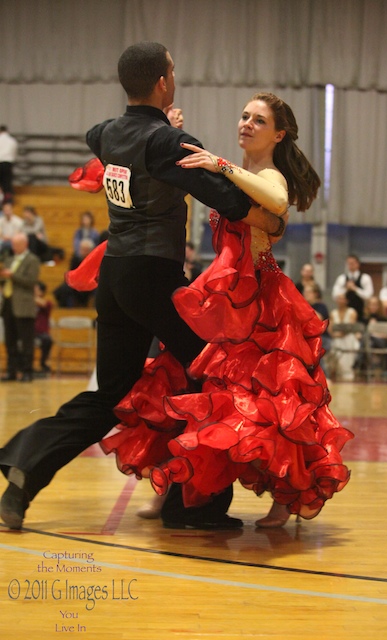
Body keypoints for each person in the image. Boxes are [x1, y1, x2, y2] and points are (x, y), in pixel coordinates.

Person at [0, 42, 284, 531]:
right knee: (215, 376)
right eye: (172, 70)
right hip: (154, 276)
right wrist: (272, 222)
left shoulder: (107, 135)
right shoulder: (167, 143)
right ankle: (190, 505)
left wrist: (160, 135)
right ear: (162, 83)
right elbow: (226, 199)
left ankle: (22, 477)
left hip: (114, 278)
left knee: (110, 393)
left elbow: (108, 136)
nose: (174, 76)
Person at [97, 92, 353, 529]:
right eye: (244, 116)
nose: (247, 124)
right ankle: (174, 486)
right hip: (223, 305)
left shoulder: (269, 175)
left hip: (262, 308)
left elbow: (274, 201)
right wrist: (167, 126)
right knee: (186, 388)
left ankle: (285, 497)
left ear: (279, 133)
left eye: (259, 120)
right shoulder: (236, 174)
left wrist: (220, 165)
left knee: (271, 406)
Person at [0, 233, 40, 382]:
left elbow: (31, 281)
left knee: (26, 341)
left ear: (25, 244)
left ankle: (27, 371)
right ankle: (11, 371)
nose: (13, 247)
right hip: (8, 304)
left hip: (24, 305)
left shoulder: (33, 260)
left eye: (16, 244)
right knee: (10, 340)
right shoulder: (9, 260)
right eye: (12, 244)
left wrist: (12, 275)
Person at [54, 238, 96, 308]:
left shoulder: (94, 261)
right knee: (64, 289)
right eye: (82, 249)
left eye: (86, 250)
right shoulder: (75, 259)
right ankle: (66, 309)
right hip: (77, 283)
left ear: (90, 251)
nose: (84, 252)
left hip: (90, 284)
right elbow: (71, 273)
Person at [332, 254, 374, 322]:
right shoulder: (341, 278)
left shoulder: (365, 278)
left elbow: (369, 296)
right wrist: (346, 289)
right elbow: (335, 296)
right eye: (349, 263)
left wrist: (355, 289)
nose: (350, 265)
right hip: (344, 312)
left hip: (361, 311)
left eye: (353, 263)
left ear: (358, 264)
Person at [329, 293, 361, 381]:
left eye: (342, 298)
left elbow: (350, 327)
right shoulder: (333, 313)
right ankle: (339, 372)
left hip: (348, 336)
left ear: (346, 301)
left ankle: (348, 371)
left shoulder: (352, 312)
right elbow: (330, 328)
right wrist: (335, 335)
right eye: (339, 298)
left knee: (349, 340)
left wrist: (341, 334)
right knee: (336, 343)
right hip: (336, 337)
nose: (340, 301)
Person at [34, 281, 53, 373]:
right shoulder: (26, 304)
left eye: (36, 289)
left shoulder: (48, 303)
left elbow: (43, 304)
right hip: (30, 332)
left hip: (42, 332)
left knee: (47, 340)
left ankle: (43, 363)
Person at [0, 126, 18, 202]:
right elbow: (14, 153)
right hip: (7, 163)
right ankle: (8, 199)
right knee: (7, 181)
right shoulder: (12, 140)